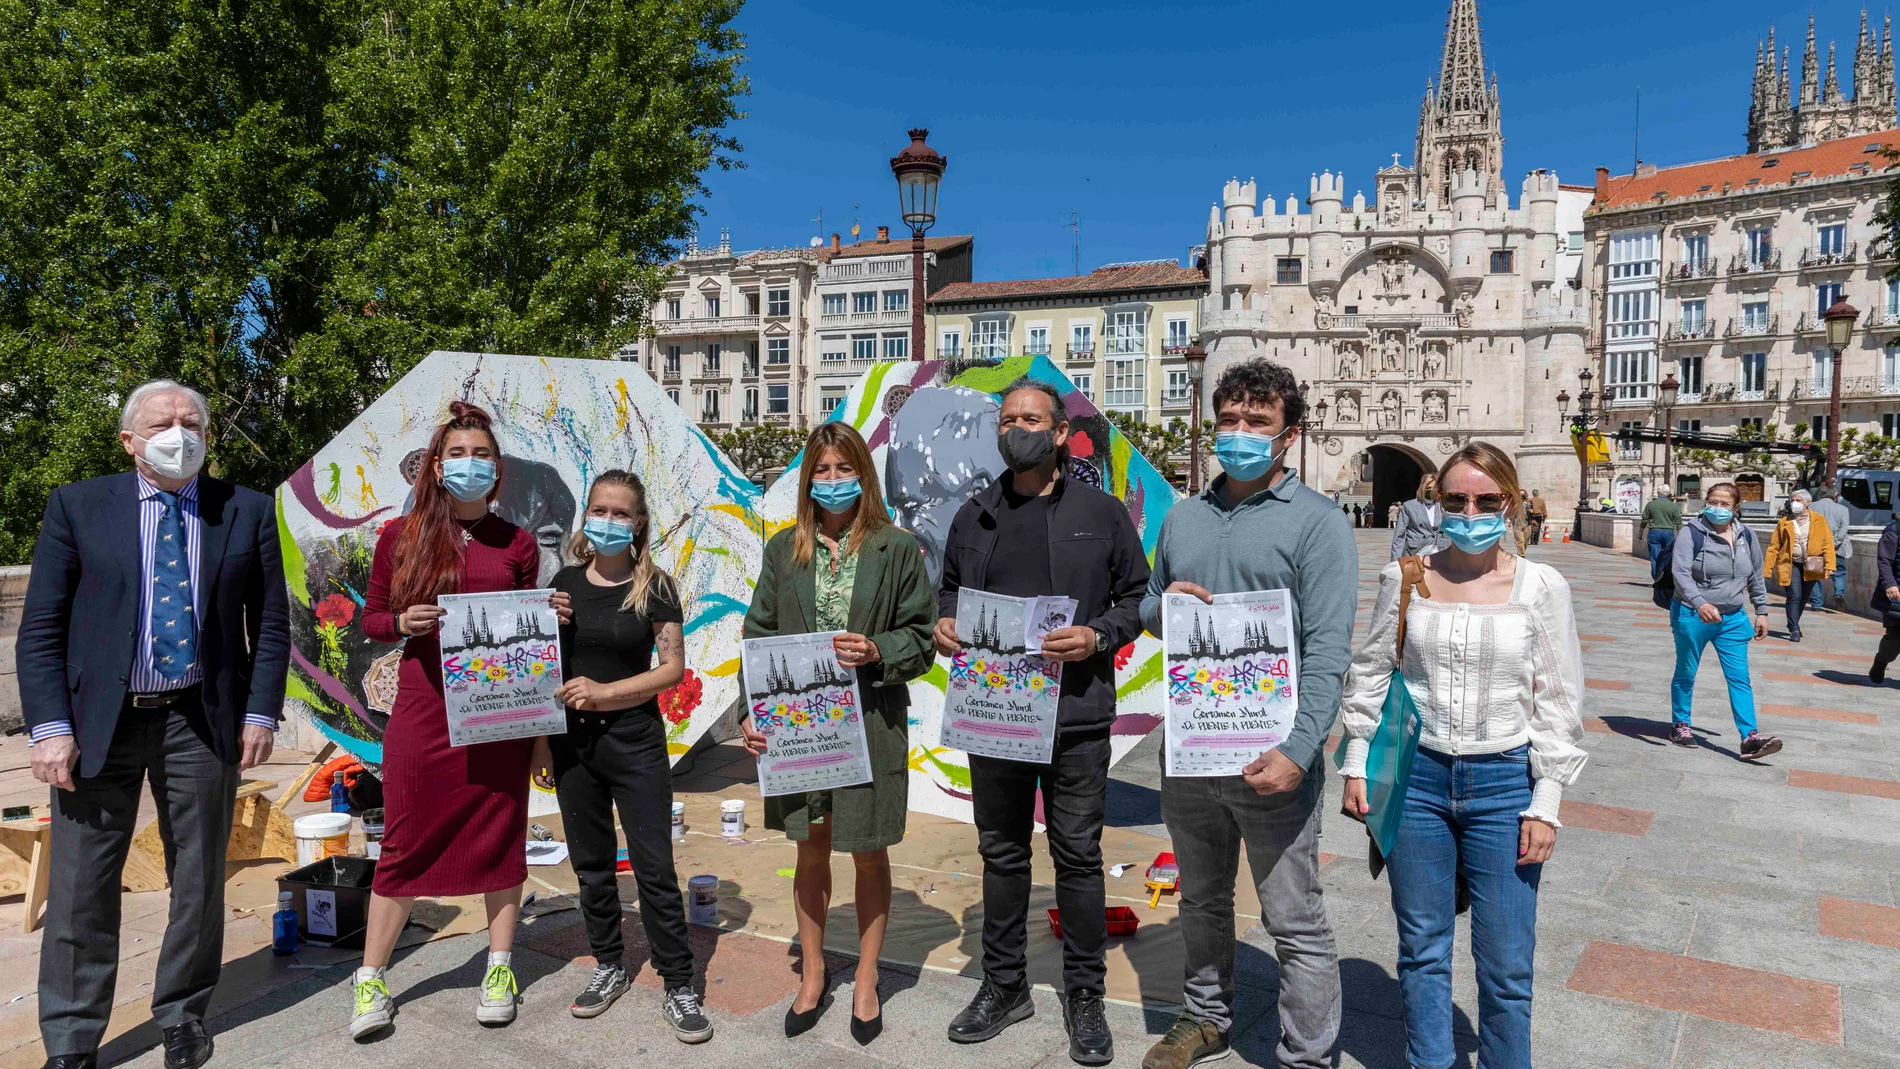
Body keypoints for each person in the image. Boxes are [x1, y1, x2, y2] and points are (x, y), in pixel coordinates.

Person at [18, 380, 290, 1069]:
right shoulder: (78, 506)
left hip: (199, 719)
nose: (180, 434)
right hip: (96, 724)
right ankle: (72, 1038)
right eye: (163, 423)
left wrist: (260, 712)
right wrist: (49, 727)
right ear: (128, 440)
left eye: (192, 422)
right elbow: (41, 627)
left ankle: (182, 1013)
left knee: (198, 876)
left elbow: (270, 623)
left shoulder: (247, 509)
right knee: (81, 885)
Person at [1137, 360, 1356, 1069]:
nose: (1239, 433)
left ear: (1289, 435)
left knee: (1293, 915)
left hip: (1273, 753)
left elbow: (1329, 649)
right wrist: (1163, 608)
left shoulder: (1319, 522)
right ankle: (1205, 1016)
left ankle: (1306, 1053)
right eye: (1228, 419)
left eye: (1257, 422)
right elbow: (1148, 601)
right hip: (1192, 749)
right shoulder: (1184, 516)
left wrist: (1300, 749)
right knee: (1200, 898)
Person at [1339, 443, 1585, 1069]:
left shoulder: (1540, 586)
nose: (1469, 512)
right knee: (1422, 949)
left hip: (1506, 783)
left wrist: (1546, 801)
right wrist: (1358, 758)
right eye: (1456, 499)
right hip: (1418, 780)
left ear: (1510, 502)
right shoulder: (1406, 578)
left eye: (1485, 500)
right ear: (1438, 501)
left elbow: (1557, 699)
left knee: (1506, 963)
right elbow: (1372, 670)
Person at [935, 379, 1149, 1066]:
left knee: (1077, 855)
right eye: (1007, 420)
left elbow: (1137, 595)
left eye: (1030, 419)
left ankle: (1085, 994)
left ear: (1059, 433)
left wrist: (1098, 634)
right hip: (995, 714)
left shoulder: (1102, 512)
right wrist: (945, 621)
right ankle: (1004, 985)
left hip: (1076, 714)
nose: (1016, 429)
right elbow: (948, 589)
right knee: (1000, 851)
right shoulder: (974, 515)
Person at [349, 401, 569, 1038]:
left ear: (497, 469)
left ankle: (499, 966)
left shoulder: (518, 542)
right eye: (457, 454)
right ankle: (371, 978)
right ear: (437, 466)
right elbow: (372, 618)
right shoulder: (401, 535)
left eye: (481, 455)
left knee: (501, 834)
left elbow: (528, 638)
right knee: (403, 839)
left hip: (500, 713)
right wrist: (402, 621)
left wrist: (548, 616)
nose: (469, 465)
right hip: (424, 710)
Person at [742, 422, 935, 1047]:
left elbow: (923, 637)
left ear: (863, 476)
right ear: (807, 481)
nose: (832, 481)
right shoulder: (784, 549)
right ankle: (814, 972)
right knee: (810, 848)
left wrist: (878, 649)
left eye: (844, 469)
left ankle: (868, 978)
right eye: (821, 471)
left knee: (869, 850)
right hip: (800, 729)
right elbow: (758, 633)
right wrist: (751, 708)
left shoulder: (896, 548)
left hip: (870, 722)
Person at [546, 470, 709, 1041]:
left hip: (635, 743)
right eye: (599, 510)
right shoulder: (563, 584)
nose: (608, 521)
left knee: (654, 868)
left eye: (620, 513)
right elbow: (543, 667)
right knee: (590, 866)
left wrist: (605, 692)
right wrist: (542, 743)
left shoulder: (654, 586)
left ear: (638, 523)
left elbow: (672, 669)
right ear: (585, 514)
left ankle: (679, 982)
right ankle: (609, 965)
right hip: (573, 747)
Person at [1669, 483, 1781, 758]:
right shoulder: (1691, 533)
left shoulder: (1746, 535)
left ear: (1735, 507)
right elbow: (1680, 573)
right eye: (1713, 502)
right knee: (1687, 671)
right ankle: (1681, 725)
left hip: (1732, 617)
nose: (1717, 508)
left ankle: (1750, 737)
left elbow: (1755, 575)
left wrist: (1762, 611)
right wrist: (1700, 602)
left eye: (1724, 504)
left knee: (1740, 677)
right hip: (1693, 613)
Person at [1764, 488, 1835, 643]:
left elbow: (1827, 543)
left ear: (1808, 502)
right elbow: (1774, 546)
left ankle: (1794, 622)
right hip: (1790, 564)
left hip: (1812, 564)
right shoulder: (1784, 522)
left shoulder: (1819, 520)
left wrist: (1830, 564)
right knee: (1794, 595)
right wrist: (1767, 568)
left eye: (1798, 500)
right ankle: (1794, 628)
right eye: (1792, 500)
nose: (1794, 503)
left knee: (1803, 597)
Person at [1809, 486, 1851, 612]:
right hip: (1836, 548)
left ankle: (1816, 604)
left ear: (1820, 495)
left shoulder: (1811, 507)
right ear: (1836, 496)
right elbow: (1843, 528)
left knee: (1814, 574)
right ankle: (1839, 593)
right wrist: (1834, 542)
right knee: (1839, 573)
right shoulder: (1843, 509)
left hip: (1815, 547)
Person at [1870, 510, 1900, 684]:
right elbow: (1884, 560)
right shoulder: (1894, 530)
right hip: (1897, 592)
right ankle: (1881, 662)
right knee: (1895, 638)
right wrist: (1890, 584)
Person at [1390, 475, 1444, 559]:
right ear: (1422, 488)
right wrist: (1395, 561)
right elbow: (1399, 536)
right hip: (1414, 553)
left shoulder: (1442, 506)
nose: (1431, 490)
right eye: (1428, 487)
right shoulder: (1409, 506)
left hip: (1437, 553)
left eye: (1434, 488)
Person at [1640, 489, 1682, 580]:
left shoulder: (1651, 504)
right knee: (1667, 556)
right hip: (1668, 533)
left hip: (1654, 532)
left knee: (1655, 556)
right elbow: (1678, 521)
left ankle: (1656, 578)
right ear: (1668, 494)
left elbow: (1644, 519)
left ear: (1658, 494)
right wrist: (1681, 534)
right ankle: (1665, 578)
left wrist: (1640, 532)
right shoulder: (1673, 505)